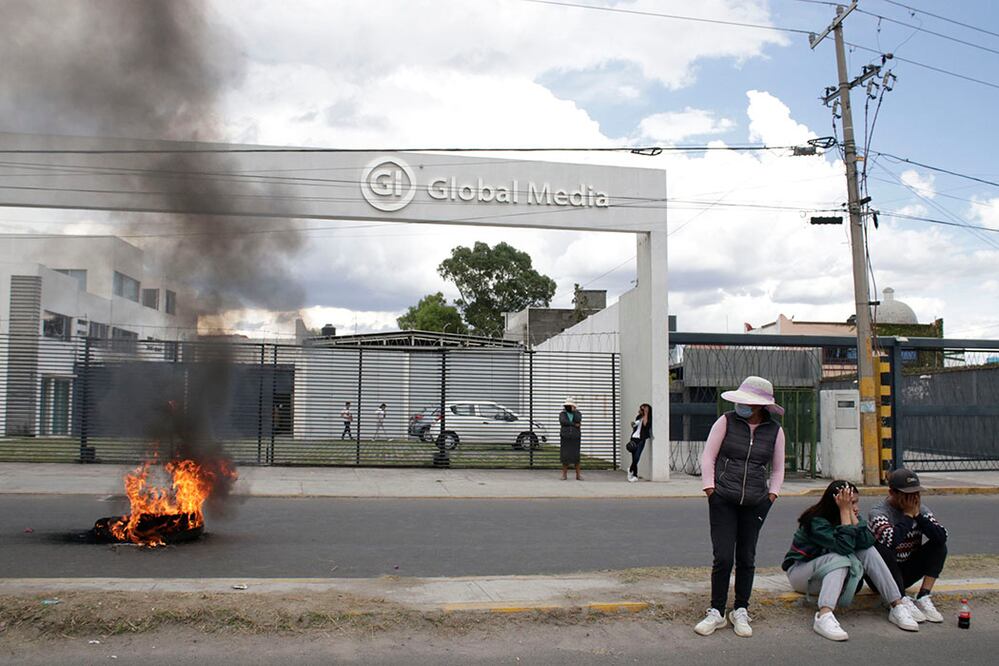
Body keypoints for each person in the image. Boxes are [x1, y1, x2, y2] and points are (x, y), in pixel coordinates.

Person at [695, 376, 785, 639]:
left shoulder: (775, 431)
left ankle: (741, 609)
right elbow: (708, 456)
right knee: (723, 557)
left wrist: (772, 495)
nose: (742, 406)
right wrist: (710, 489)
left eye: (748, 402)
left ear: (760, 406)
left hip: (756, 502)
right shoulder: (726, 421)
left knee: (747, 557)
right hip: (723, 499)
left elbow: (778, 469)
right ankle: (716, 611)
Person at [782, 480, 921, 641]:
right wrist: (845, 512)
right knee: (839, 558)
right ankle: (824, 615)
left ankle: (897, 604)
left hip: (829, 575)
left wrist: (854, 519)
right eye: (851, 502)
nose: (856, 507)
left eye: (856, 502)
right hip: (801, 574)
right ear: (837, 503)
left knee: (867, 550)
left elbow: (868, 541)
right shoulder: (816, 521)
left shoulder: (849, 515)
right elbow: (843, 548)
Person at [867, 468, 947, 624]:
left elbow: (941, 536)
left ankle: (923, 595)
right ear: (892, 493)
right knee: (881, 547)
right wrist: (908, 516)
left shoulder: (920, 510)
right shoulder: (878, 512)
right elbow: (892, 541)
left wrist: (919, 517)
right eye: (907, 494)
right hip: (882, 576)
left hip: (907, 571)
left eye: (916, 493)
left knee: (939, 546)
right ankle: (900, 600)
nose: (913, 498)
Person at [627, 403, 652, 483]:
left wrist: (646, 414)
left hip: (641, 439)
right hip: (634, 438)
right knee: (634, 457)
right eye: (641, 409)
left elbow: (645, 425)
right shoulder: (638, 417)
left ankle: (630, 469)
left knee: (637, 456)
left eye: (642, 409)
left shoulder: (649, 418)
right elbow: (635, 426)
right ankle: (634, 475)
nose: (640, 410)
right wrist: (633, 424)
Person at [559, 398, 582, 481]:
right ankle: (564, 475)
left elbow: (578, 420)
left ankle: (578, 475)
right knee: (565, 456)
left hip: (575, 437)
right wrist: (573, 424)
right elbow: (563, 421)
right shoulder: (562, 414)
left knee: (576, 456)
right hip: (565, 437)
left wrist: (574, 412)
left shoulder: (578, 413)